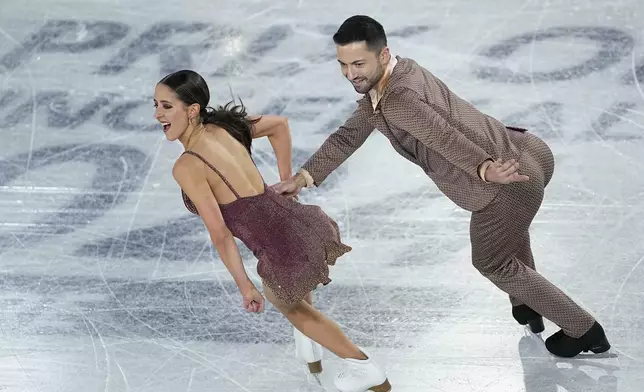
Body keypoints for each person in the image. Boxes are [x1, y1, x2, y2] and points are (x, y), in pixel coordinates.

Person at [271, 15, 611, 359]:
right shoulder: (402, 72)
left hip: (505, 180)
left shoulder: (398, 99)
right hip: (526, 149)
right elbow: (349, 135)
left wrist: (483, 168)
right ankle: (527, 303)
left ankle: (582, 329)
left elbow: (442, 136)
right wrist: (304, 177)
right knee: (508, 233)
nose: (350, 73)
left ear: (383, 55)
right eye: (343, 65)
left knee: (493, 262)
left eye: (358, 63)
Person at [153, 69, 391, 392]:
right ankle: (309, 345)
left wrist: (245, 286)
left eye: (167, 106)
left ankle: (364, 367)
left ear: (192, 110)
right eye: (156, 105)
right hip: (298, 221)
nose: (158, 114)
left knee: (285, 302)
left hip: (279, 244)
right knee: (294, 296)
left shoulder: (187, 166)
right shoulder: (224, 126)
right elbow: (280, 126)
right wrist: (287, 182)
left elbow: (221, 234)